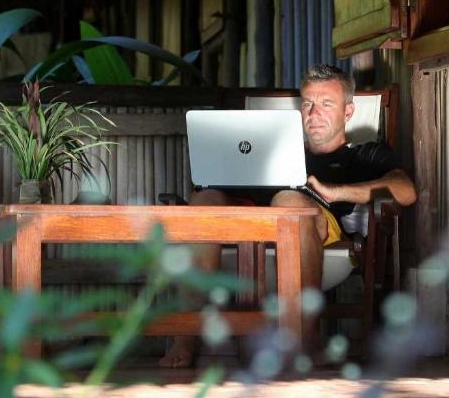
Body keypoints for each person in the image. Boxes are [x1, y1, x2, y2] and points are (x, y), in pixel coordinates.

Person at [159, 64, 417, 367]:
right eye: (307, 103)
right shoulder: (272, 147)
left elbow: (405, 191)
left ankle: (303, 338)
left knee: (290, 200)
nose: (313, 113)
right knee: (203, 200)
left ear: (348, 112)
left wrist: (335, 192)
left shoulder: (363, 154)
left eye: (326, 104)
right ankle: (185, 338)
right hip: (251, 227)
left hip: (312, 225)